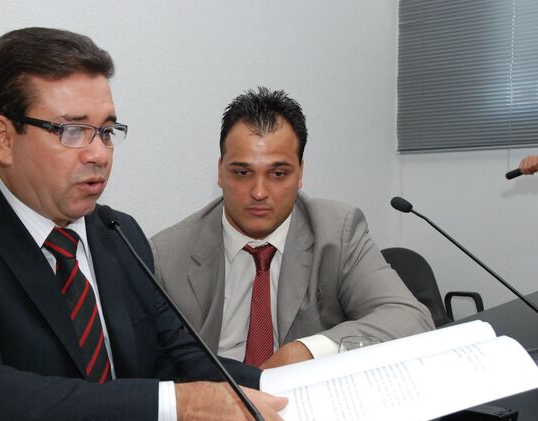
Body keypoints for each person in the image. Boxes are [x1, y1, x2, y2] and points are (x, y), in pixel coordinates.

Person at [0, 28, 314, 421]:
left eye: (106, 131)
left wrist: (297, 391)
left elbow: (181, 358)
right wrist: (179, 410)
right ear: (4, 138)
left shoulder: (117, 232)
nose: (99, 155)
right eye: (72, 131)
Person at [151, 88, 433, 370]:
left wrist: (307, 350)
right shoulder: (166, 256)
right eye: (242, 172)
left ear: (300, 174)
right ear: (220, 172)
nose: (259, 192)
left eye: (278, 174)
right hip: (214, 393)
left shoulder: (337, 233)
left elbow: (410, 318)